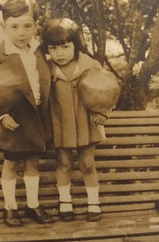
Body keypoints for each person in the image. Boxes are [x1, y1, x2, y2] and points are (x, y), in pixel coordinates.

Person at [0, 0, 53, 227]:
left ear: (35, 26)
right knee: (11, 164)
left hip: (35, 118)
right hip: (12, 120)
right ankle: (10, 208)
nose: (22, 33)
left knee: (33, 163)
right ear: (4, 26)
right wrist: (1, 114)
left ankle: (32, 205)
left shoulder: (40, 51)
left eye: (27, 26)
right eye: (14, 27)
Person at [42, 17, 112, 223]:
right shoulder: (46, 68)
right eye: (53, 48)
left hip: (86, 123)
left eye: (65, 47)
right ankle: (65, 202)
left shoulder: (90, 65)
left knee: (87, 164)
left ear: (76, 44)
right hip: (60, 124)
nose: (59, 53)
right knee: (63, 163)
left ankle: (93, 203)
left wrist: (103, 112)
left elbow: (106, 90)